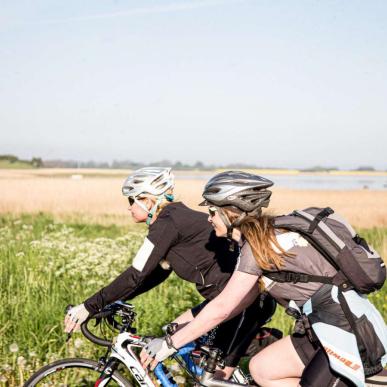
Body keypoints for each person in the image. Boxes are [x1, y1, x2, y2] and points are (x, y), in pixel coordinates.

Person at [140, 171, 387, 387]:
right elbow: (236, 302)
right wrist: (182, 328)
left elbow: (222, 306)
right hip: (320, 328)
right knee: (263, 369)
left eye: (213, 212)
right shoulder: (261, 241)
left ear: (230, 213)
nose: (209, 218)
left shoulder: (258, 248)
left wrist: (170, 344)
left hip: (346, 330)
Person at [64, 167, 276, 379]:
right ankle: (255, 343)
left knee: (214, 379)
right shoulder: (173, 219)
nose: (129, 208)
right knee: (173, 331)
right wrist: (114, 301)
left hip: (243, 304)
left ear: (146, 200)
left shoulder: (168, 222)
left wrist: (88, 306)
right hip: (224, 300)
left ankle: (258, 344)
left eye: (131, 201)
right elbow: (155, 274)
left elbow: (135, 274)